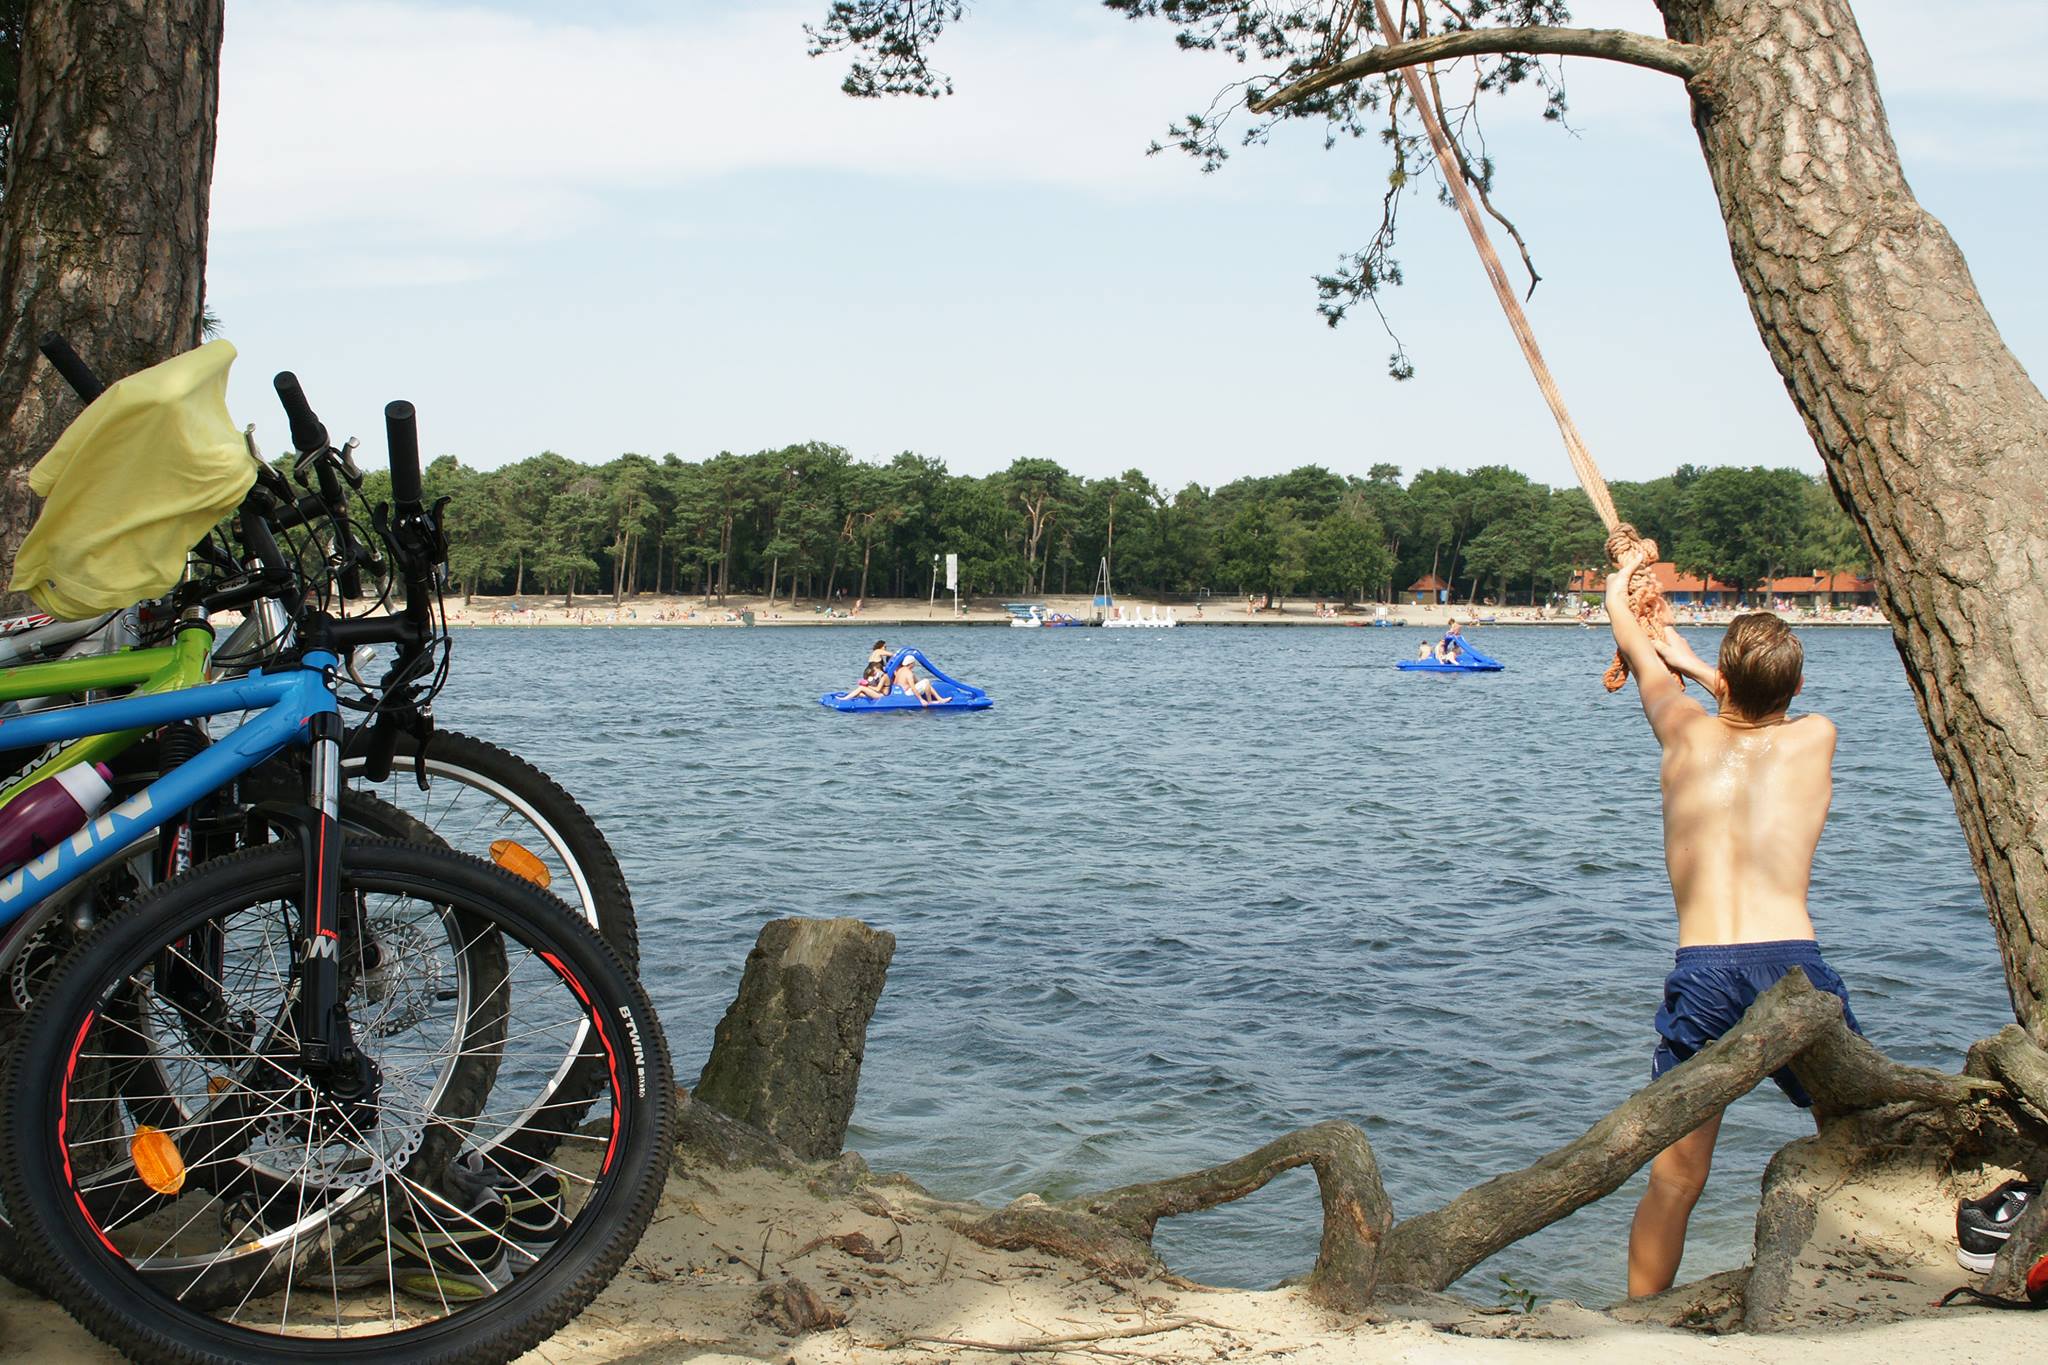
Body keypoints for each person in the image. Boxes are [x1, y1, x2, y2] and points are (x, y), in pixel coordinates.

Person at [1604, 544, 1857, 1299]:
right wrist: (1705, 666)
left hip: (1708, 967)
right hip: (1794, 965)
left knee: (1677, 1176)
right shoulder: (1816, 737)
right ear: (1799, 685)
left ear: (1724, 678)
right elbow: (1755, 708)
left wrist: (1632, 573)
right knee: (1855, 1135)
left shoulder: (1684, 731)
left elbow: (1622, 614)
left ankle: (1637, 1320)